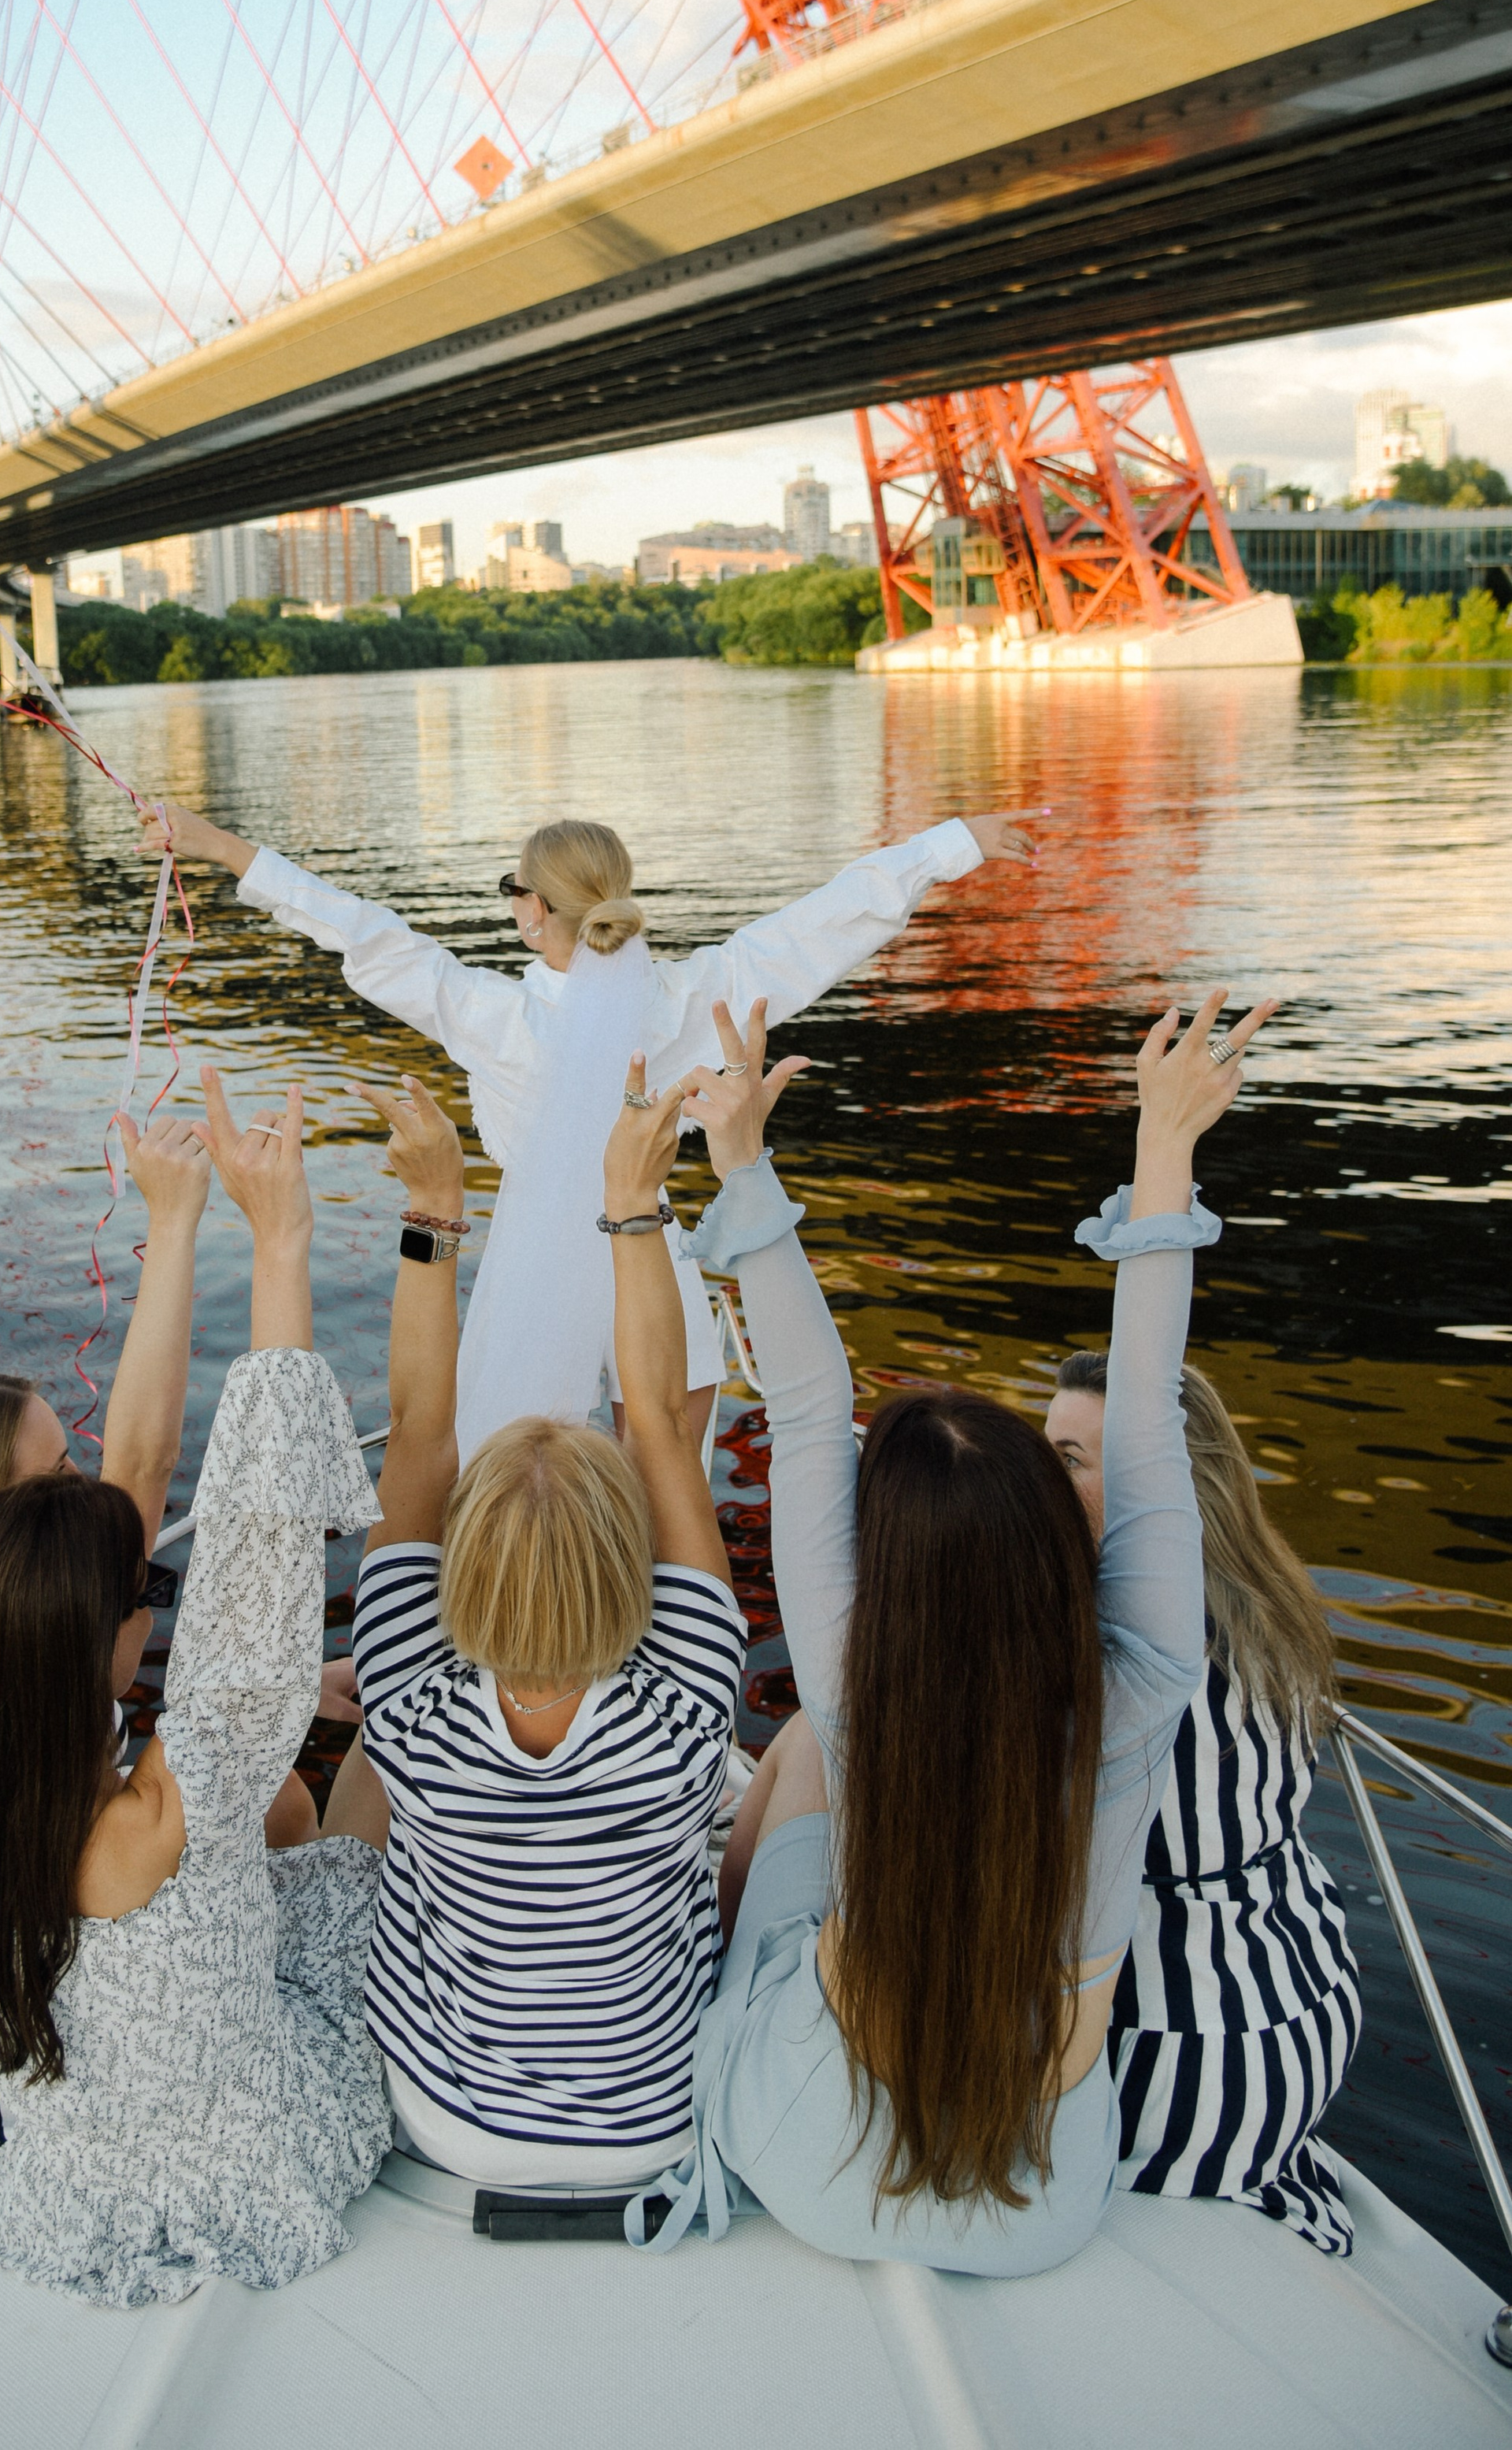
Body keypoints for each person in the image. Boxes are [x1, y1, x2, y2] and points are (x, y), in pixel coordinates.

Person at [641, 985, 1276, 2269]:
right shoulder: (1143, 1678)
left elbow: (812, 1409)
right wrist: (1163, 1147)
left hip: (813, 2162)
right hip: (1039, 2202)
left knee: (808, 1759)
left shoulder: (848, 1668)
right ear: (1052, 1540)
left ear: (893, 1570)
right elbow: (1146, 1412)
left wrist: (744, 1160)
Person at [0, 1077, 391, 2304]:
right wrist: (281, 1239)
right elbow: (265, 1541)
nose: (157, 1605)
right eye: (144, 1599)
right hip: (254, 2167)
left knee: (283, 1823)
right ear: (98, 1642)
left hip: (79, 2181)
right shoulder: (176, 1798)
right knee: (358, 1826)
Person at [142, 797, 1039, 1455]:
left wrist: (217, 845)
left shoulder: (494, 1018)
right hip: (659, 1285)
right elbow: (822, 926)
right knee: (669, 1504)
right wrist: (951, 844)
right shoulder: (688, 1000)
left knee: (531, 1496)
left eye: (512, 891)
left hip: (536, 1287)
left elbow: (367, 936)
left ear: (534, 911)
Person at [0, 1022, 312, 2180]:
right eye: (54, 1478)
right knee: (291, 1808)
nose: (86, 1487)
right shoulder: (63, 1643)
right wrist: (186, 1221)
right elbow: (146, 1459)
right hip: (24, 2106)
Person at [342, 1037, 773, 2192]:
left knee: (358, 1794)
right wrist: (632, 1208)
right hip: (656, 2120)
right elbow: (659, 1431)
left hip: (449, 2120)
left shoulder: (405, 1692)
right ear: (624, 1565)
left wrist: (437, 1208)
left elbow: (420, 1424)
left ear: (463, 1570)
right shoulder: (689, 1698)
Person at [1047, 1351, 1361, 2251]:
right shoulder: (1267, 1609)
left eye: (1069, 1458)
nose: (1042, 1477)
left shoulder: (1127, 1669)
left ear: (1157, 1486)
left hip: (1183, 2060)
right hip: (1305, 2005)